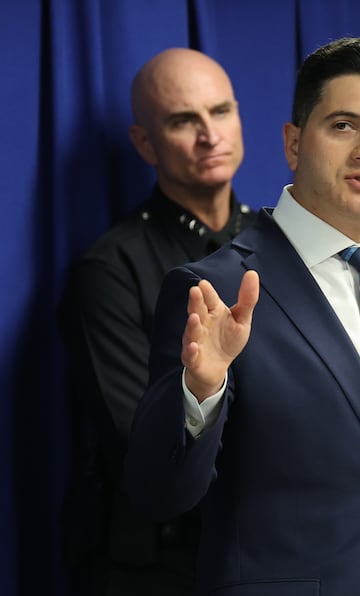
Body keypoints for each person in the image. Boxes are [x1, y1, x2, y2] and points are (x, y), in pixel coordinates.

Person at [121, 37, 360, 596]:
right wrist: (200, 390)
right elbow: (158, 495)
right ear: (294, 143)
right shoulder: (216, 290)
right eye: (344, 125)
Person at [59, 48, 255, 595]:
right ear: (145, 143)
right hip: (159, 568)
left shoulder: (278, 248)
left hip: (269, 552)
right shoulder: (110, 269)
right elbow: (142, 446)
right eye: (182, 121)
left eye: (220, 112)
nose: (209, 135)